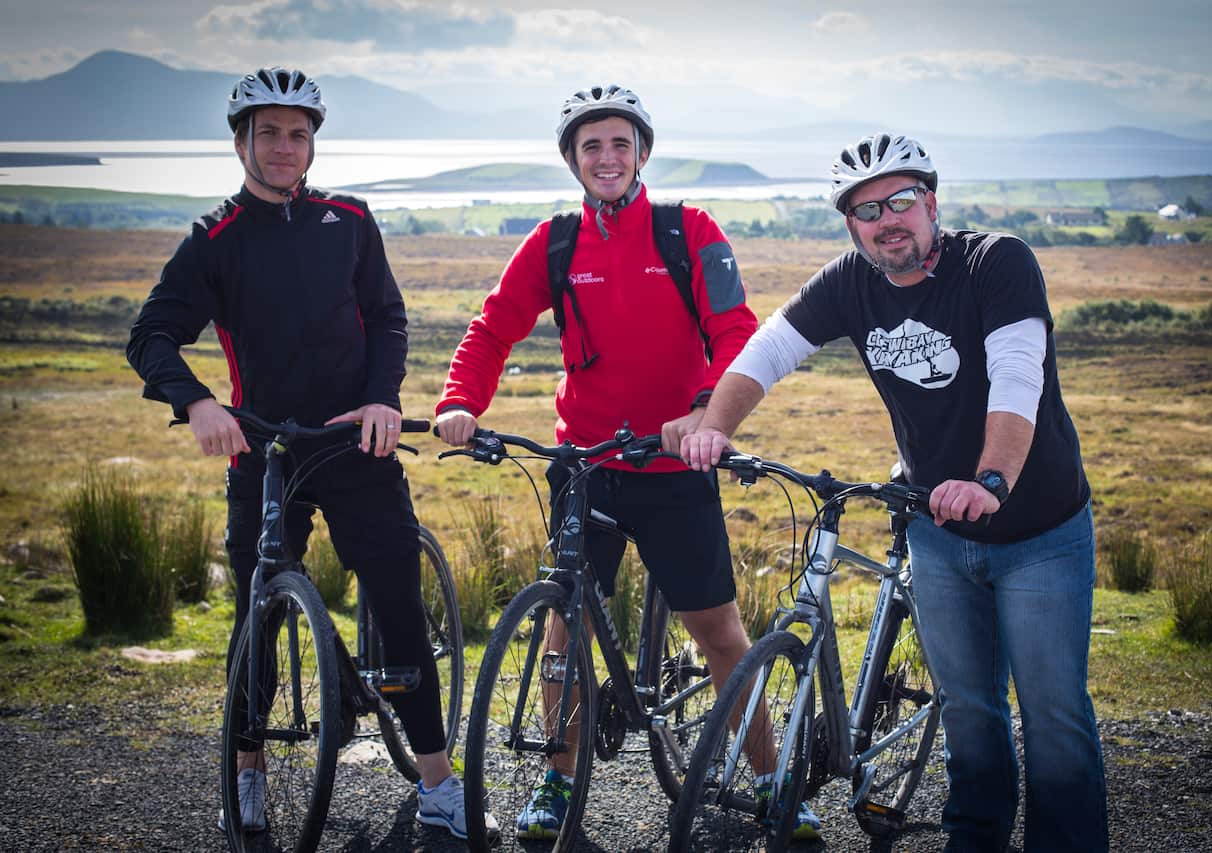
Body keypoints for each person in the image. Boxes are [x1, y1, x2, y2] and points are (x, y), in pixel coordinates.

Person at [682, 133, 1108, 851]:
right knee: (968, 710)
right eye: (867, 210)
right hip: (936, 528)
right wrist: (713, 427)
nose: (888, 220)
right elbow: (770, 349)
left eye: (901, 200)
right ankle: (974, 839)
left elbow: (1018, 375)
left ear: (931, 203)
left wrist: (990, 479)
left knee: (1054, 716)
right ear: (852, 225)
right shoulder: (850, 281)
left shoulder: (996, 262)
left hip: (1039, 531)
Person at [435, 84, 821, 841]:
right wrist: (460, 401)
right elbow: (494, 327)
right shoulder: (554, 243)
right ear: (572, 161)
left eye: (620, 143)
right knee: (564, 625)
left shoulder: (688, 230)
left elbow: (734, 329)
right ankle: (557, 779)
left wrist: (706, 414)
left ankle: (773, 781)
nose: (607, 157)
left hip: (675, 467)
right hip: (587, 467)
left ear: (642, 153)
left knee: (717, 631)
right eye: (592, 146)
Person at [125, 67, 495, 843]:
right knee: (255, 615)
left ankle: (437, 782)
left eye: (298, 133)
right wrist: (197, 402)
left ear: (312, 143)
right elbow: (151, 335)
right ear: (241, 143)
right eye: (269, 133)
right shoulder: (214, 239)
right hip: (264, 449)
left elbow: (387, 318)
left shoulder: (349, 220)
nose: (285, 147)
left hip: (357, 441)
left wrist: (384, 397)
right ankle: (248, 770)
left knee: (398, 603)